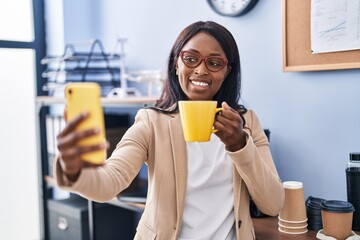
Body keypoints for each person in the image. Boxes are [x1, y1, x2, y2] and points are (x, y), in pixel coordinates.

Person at [55, 21, 285, 240]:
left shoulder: (246, 123)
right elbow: (110, 183)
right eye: (191, 59)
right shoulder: (151, 121)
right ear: (177, 64)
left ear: (227, 72)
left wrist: (240, 145)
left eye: (214, 63)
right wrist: (75, 171)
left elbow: (273, 204)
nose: (201, 70)